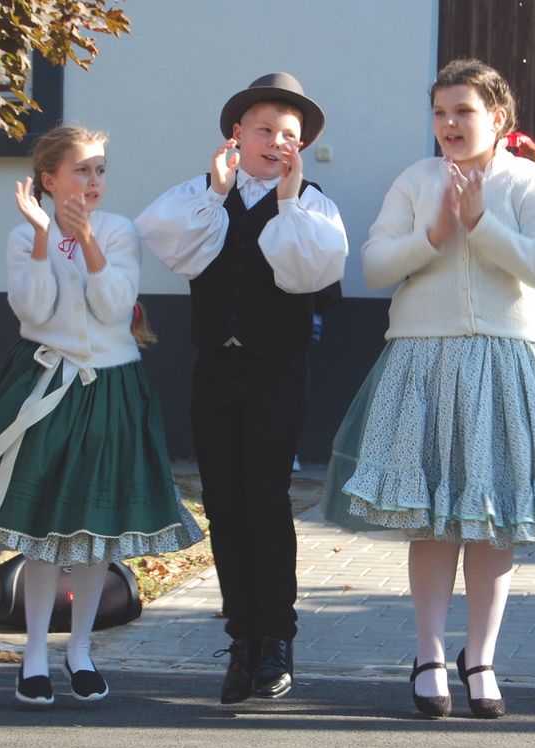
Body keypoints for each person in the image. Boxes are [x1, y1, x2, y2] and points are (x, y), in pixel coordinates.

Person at [322, 59, 535, 719]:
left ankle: (482, 656)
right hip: (423, 359)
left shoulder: (529, 182)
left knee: (493, 524)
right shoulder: (415, 180)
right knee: (431, 520)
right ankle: (429, 652)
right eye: (440, 113)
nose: (449, 125)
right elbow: (376, 264)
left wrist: (480, 221)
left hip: (508, 358)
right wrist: (435, 232)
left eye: (463, 111)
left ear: (498, 117)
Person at [0, 125, 202, 707]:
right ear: (48, 180)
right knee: (43, 530)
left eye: (100, 169)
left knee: (92, 533)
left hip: (110, 386)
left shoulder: (120, 231)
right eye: (81, 170)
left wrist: (90, 244)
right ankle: (33, 652)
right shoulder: (25, 235)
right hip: (46, 381)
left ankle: (80, 651)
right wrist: (40, 237)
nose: (93, 181)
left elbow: (113, 307)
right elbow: (34, 309)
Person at [135, 73, 348, 704]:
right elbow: (173, 249)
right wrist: (218, 193)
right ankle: (241, 641)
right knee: (224, 506)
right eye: (265, 130)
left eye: (290, 134)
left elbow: (309, 273)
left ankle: (276, 640)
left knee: (265, 501)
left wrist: (284, 201)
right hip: (213, 371)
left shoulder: (312, 202)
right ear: (236, 135)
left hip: (275, 372)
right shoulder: (198, 195)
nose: (277, 141)